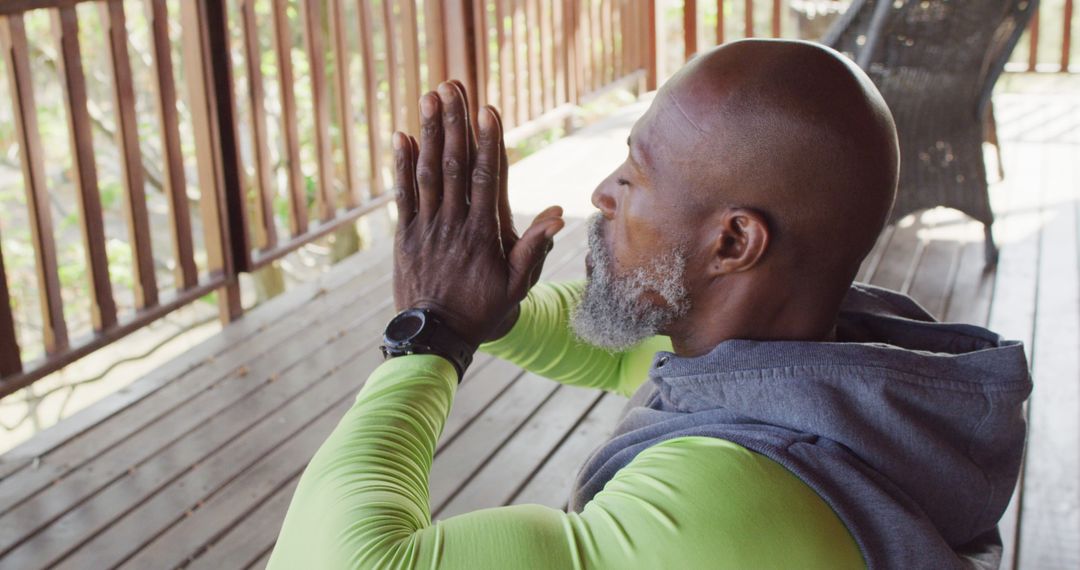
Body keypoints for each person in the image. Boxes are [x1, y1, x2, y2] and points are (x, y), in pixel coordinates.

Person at [267, 39, 1030, 569]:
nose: (603, 192)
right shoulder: (836, 367)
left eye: (635, 173)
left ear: (733, 243)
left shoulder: (718, 502)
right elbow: (633, 350)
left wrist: (430, 336)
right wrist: (492, 315)